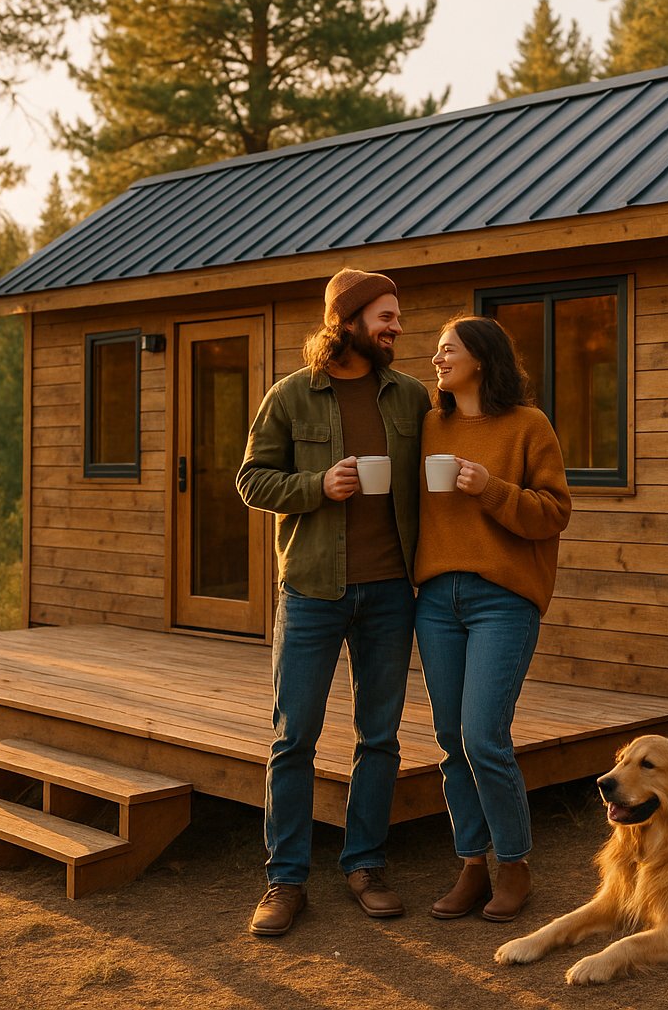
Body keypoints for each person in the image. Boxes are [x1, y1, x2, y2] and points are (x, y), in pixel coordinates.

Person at [235, 268, 430, 937]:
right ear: (345, 322)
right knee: (294, 738)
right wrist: (318, 485)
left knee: (379, 739)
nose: (396, 327)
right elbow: (251, 480)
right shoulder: (290, 396)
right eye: (385, 316)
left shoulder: (410, 398)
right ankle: (285, 881)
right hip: (312, 589)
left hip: (390, 594)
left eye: (397, 317)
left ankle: (365, 866)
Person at [413, 314, 571, 923]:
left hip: (502, 600)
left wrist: (490, 488)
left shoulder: (529, 426)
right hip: (435, 602)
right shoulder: (429, 425)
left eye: (447, 350)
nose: (437, 359)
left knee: (484, 736)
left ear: (481, 358)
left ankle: (515, 864)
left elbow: (554, 513)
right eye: (436, 352)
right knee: (452, 740)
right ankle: (472, 865)